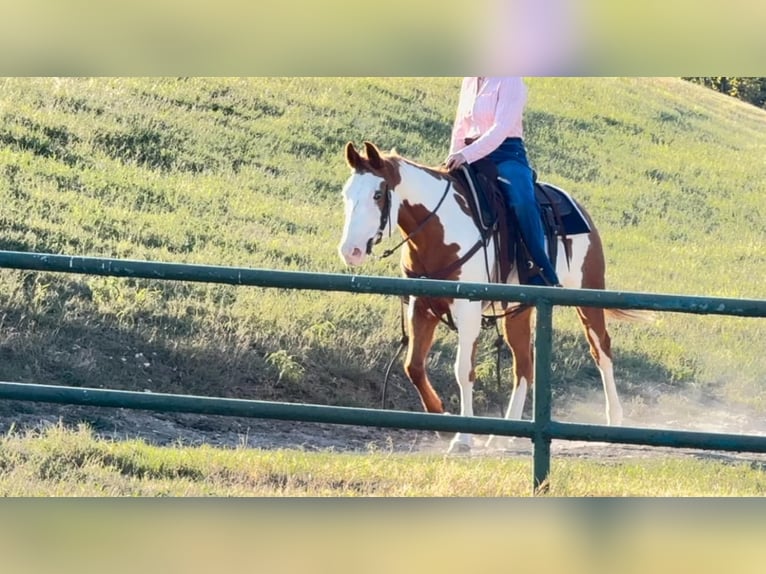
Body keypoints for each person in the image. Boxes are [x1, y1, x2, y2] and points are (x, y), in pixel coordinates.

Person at [445, 76, 561, 287]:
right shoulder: (469, 80)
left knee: (521, 201)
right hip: (470, 152)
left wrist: (466, 155)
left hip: (506, 153)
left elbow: (500, 129)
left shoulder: (510, 80)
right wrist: (454, 156)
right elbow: (460, 126)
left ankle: (541, 269)